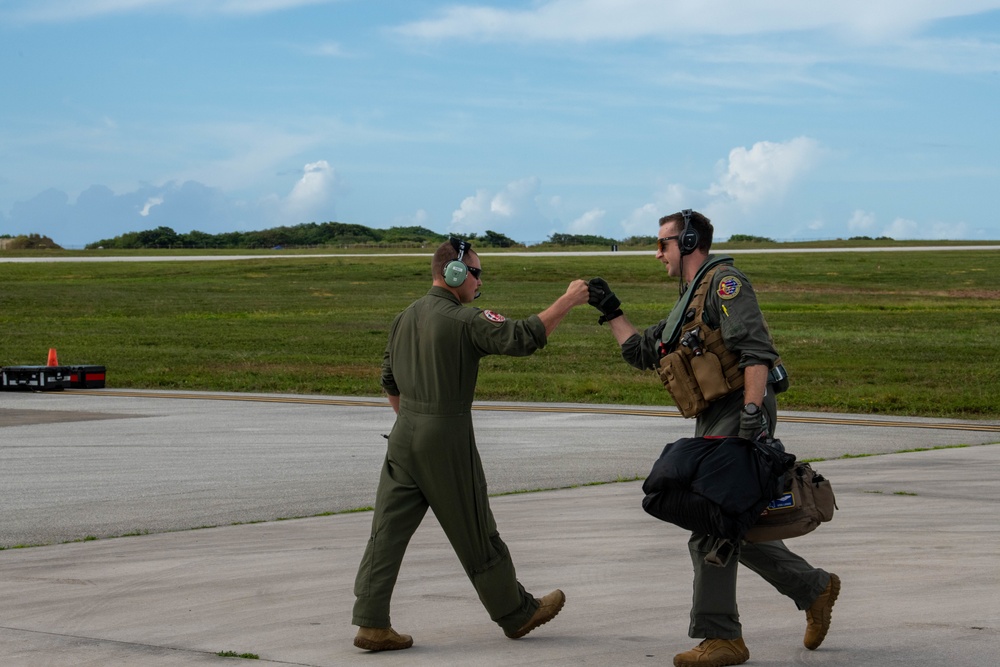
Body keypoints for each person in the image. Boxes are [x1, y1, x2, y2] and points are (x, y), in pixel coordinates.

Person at [587, 210, 840, 667]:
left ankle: (722, 638)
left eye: (662, 243)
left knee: (709, 524)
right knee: (732, 524)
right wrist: (611, 311)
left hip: (739, 411)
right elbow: (645, 351)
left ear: (687, 241)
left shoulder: (724, 283)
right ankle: (812, 587)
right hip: (713, 418)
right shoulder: (689, 297)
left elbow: (757, 351)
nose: (657, 252)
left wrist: (749, 421)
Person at [352, 237, 591, 651]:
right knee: (476, 529)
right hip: (445, 436)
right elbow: (522, 337)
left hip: (405, 433)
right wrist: (568, 300)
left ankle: (372, 624)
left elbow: (389, 382)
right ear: (455, 273)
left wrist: (413, 425)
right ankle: (517, 613)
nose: (479, 283)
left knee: (387, 532)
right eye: (476, 273)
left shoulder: (404, 317)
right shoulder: (464, 319)